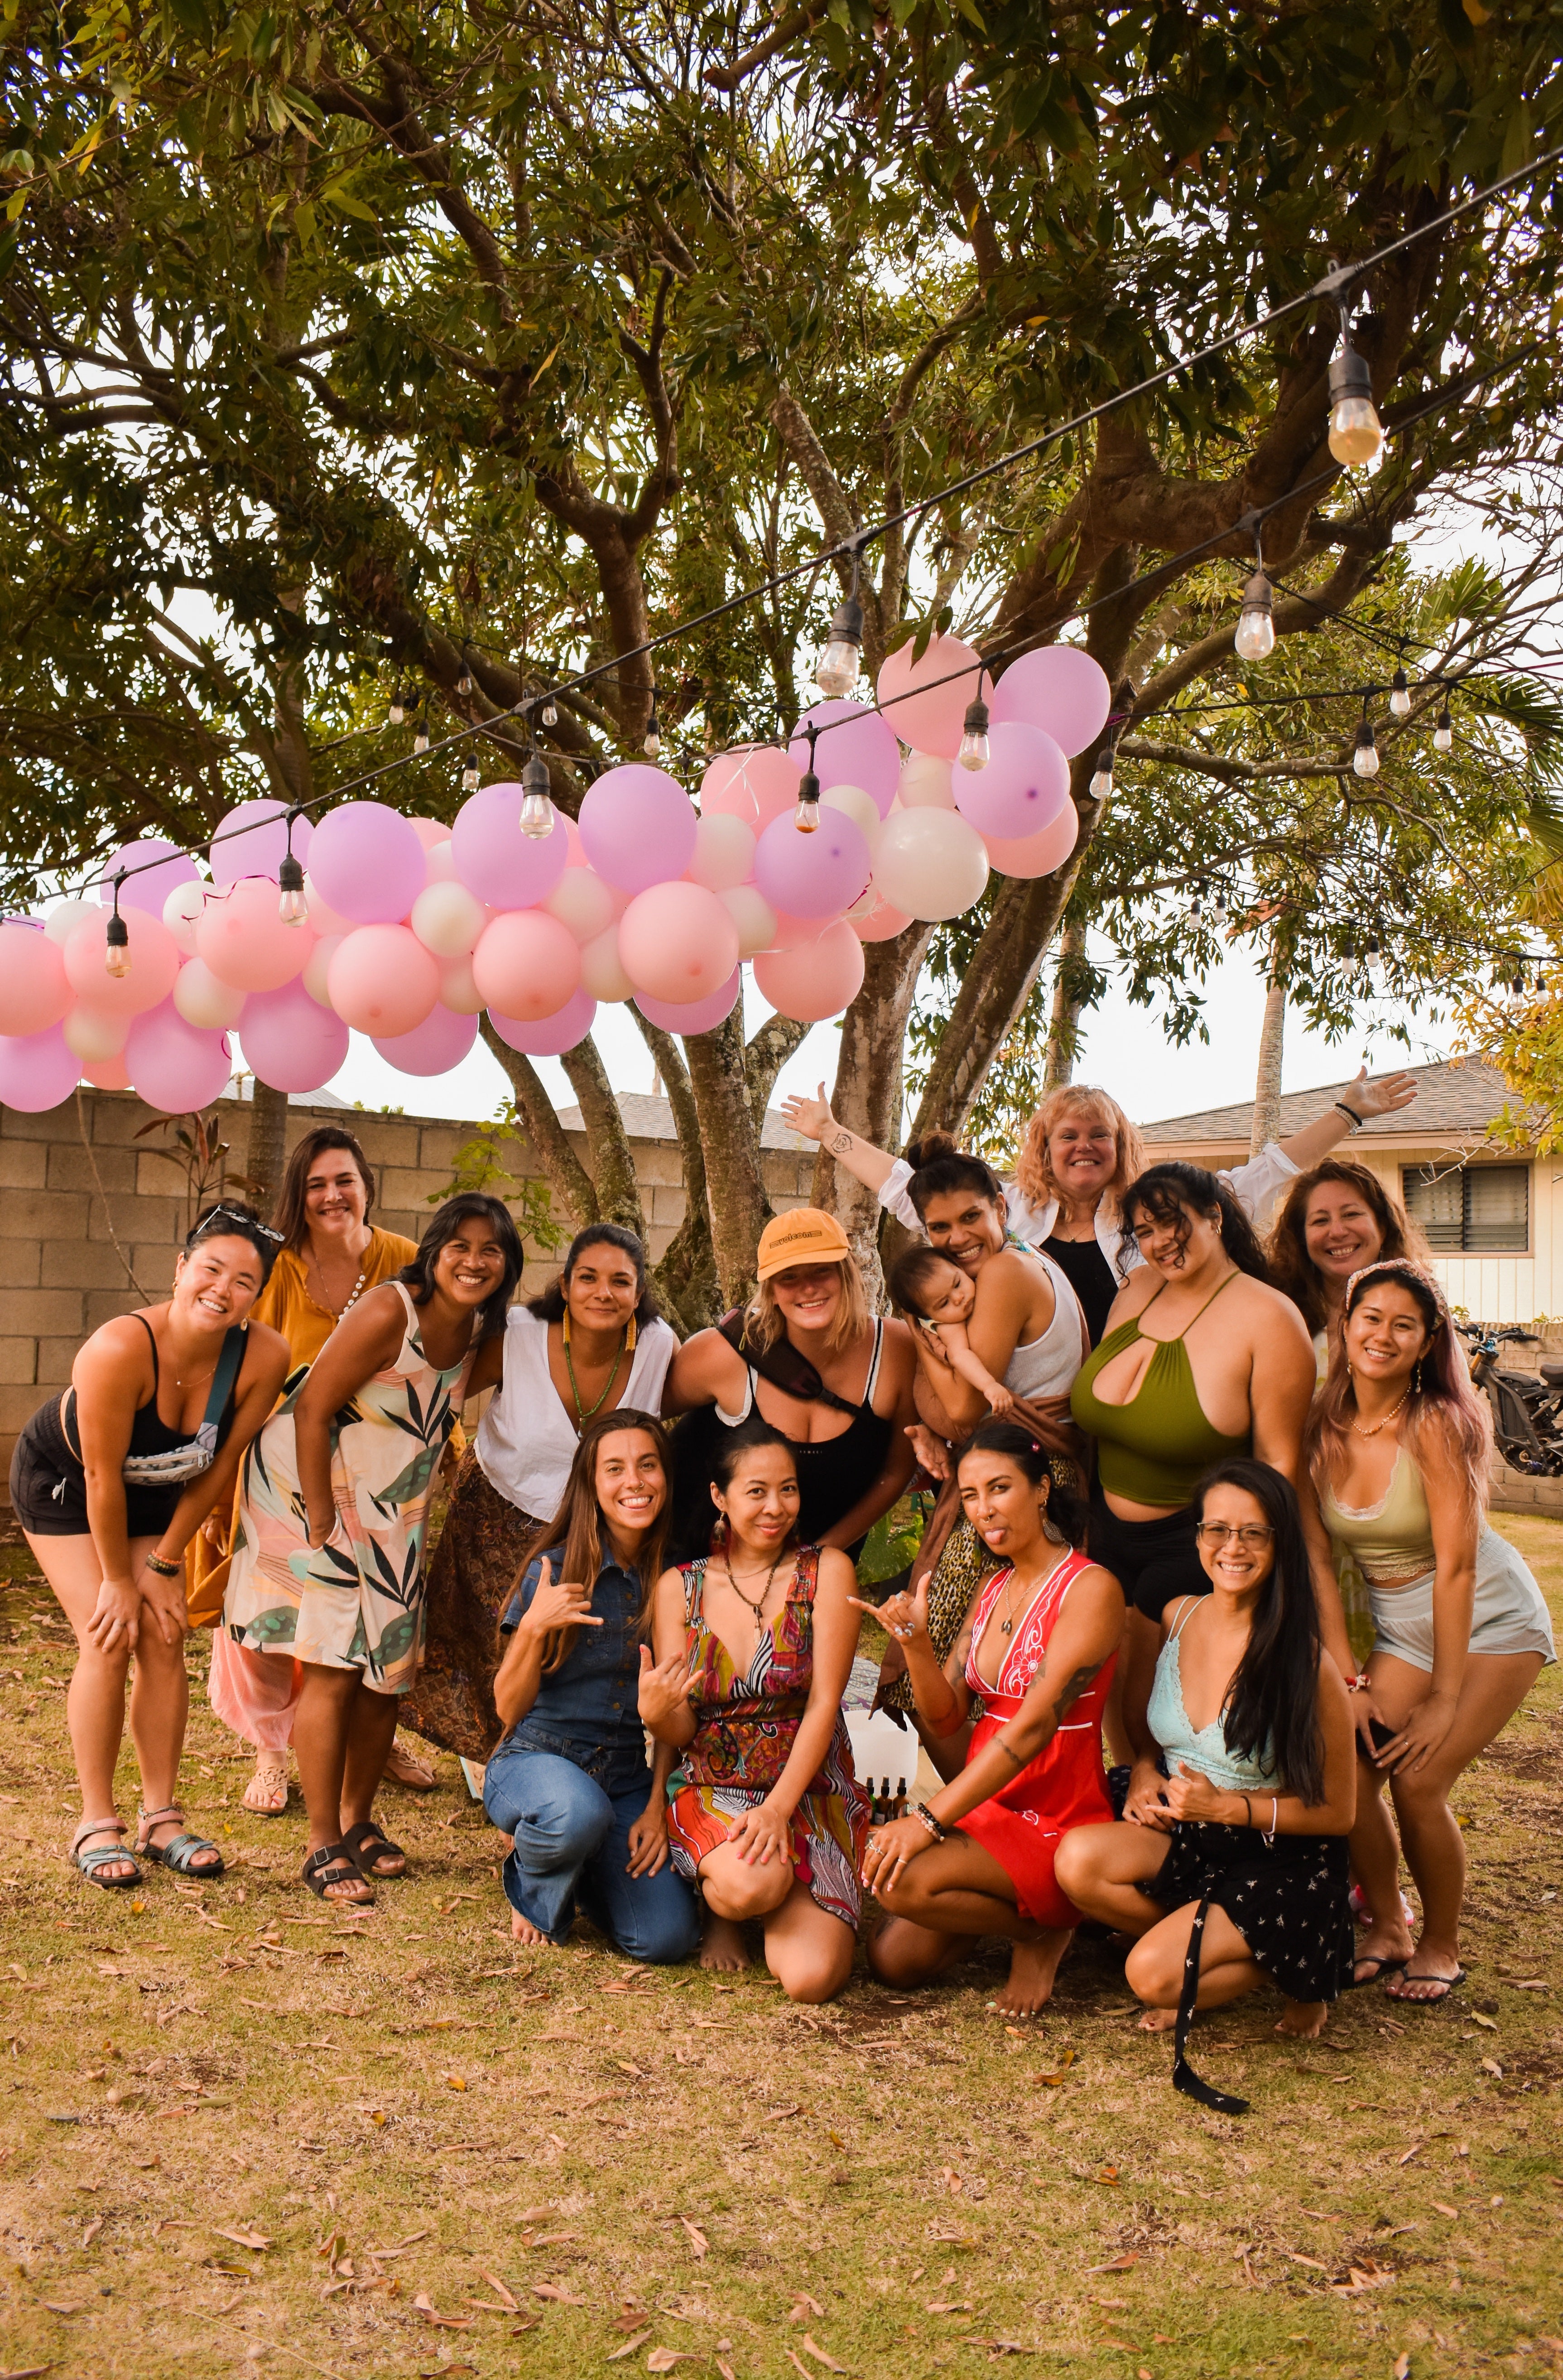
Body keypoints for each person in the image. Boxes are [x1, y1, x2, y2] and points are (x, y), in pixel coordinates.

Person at [224, 1194, 521, 1904]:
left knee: (390, 1666)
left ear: (508, 1264)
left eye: (491, 1249)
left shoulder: (485, 1332)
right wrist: (322, 1523)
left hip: (395, 1508)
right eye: (459, 1245)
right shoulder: (393, 1309)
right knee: (333, 1663)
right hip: (316, 1487)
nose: (473, 1260)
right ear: (434, 1250)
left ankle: (359, 1820)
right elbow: (312, 1405)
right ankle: (321, 1839)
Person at [1055, 1461, 1357, 2109]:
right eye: (1217, 1528)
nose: (1232, 1546)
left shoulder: (1306, 1662)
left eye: (1253, 1532)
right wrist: (1143, 1768)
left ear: (1279, 1543)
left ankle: (1293, 1962)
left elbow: (1338, 1813)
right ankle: (1197, 1944)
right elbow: (1145, 1729)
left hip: (1275, 1856)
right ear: (1196, 1537)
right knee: (1075, 1861)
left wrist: (1227, 1806)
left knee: (1147, 1975)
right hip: (1188, 1830)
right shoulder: (1176, 1613)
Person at [10, 1206, 291, 1889]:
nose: (223, 1289)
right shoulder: (118, 1347)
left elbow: (220, 1467)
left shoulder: (264, 1355)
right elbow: (102, 1478)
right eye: (211, 1268)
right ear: (181, 1268)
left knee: (165, 1632)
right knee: (109, 1633)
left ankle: (161, 1818)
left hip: (160, 1487)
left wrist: (165, 1564)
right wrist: (118, 1579)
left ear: (257, 1296)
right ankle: (95, 1821)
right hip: (69, 1485)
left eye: (244, 1281)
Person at [1303, 1259, 1555, 2003]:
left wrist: (1443, 1698)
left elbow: (1457, 1569)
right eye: (1370, 1317)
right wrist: (1347, 1678)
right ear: (1345, 1324)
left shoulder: (1435, 1423)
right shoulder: (1320, 1421)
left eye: (1402, 1325)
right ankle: (1388, 1925)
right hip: (1398, 1624)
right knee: (1348, 1775)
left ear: (1425, 1342)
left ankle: (1440, 1944)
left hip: (1489, 1618)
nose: (1381, 1335)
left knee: (1418, 1783)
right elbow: (1316, 1558)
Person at [781, 1070, 1418, 1347]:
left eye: (1098, 1134)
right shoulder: (1010, 1212)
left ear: (1120, 1146)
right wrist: (830, 1132)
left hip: (1128, 1397)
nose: (1083, 1145)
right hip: (1029, 1400)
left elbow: (1265, 1173)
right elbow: (905, 1189)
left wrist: (1348, 1112)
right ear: (1045, 1147)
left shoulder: (1158, 1217)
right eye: (1068, 1135)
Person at [189, 1125, 422, 1816]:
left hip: (378, 1474)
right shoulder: (276, 1268)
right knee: (275, 1619)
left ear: (366, 1185)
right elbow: (228, 1368)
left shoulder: (405, 1260)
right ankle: (269, 1748)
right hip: (278, 1473)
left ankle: (369, 1739)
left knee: (368, 1613)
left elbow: (433, 1355)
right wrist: (214, 1487)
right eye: (317, 1183)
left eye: (344, 1179)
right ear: (300, 1193)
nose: (332, 1195)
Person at [859, 1423, 1123, 2015]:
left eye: (999, 1488)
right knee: (892, 1960)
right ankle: (1024, 1912)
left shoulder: (1089, 1587)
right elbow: (946, 1717)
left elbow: (1031, 1730)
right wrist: (917, 1645)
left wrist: (928, 1819)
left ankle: (1046, 1925)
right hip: (988, 1801)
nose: (983, 1509)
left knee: (904, 1881)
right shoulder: (991, 1585)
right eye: (970, 1495)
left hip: (1054, 1810)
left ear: (1041, 1489)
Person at [405, 1222, 680, 1760]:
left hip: (589, 1526)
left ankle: (542, 1752)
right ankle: (499, 1758)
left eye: (620, 1281)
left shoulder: (658, 1347)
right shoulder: (520, 1333)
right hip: (495, 1509)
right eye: (588, 1277)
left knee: (567, 1646)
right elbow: (444, 1396)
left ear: (639, 1293)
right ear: (565, 1283)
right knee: (485, 1641)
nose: (603, 1292)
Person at [1069, 1161, 1320, 1736]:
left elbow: (1278, 1463)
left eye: (1171, 1221)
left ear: (1214, 1216)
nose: (1159, 1240)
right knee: (1103, 1711)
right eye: (1145, 1230)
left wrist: (1250, 1565)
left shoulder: (1269, 1318)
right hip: (1102, 1532)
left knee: (1149, 1716)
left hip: (1190, 1543)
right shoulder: (1136, 1289)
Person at [863, 1138, 1089, 1760]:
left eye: (970, 1217)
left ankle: (975, 1807)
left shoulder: (1005, 1273)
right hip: (1017, 1472)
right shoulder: (1014, 1262)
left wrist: (919, 1332)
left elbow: (962, 1411)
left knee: (940, 1665)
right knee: (976, 1663)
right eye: (939, 1227)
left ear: (1000, 1206)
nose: (957, 1237)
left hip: (1020, 1479)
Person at [639, 1418, 867, 2002]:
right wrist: (657, 1714)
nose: (776, 1507)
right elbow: (683, 1726)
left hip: (807, 1788)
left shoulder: (827, 1571)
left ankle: (781, 1888)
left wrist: (777, 1810)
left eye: (788, 1489)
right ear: (720, 1496)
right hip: (715, 1787)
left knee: (812, 1979)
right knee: (750, 1885)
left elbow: (825, 1703)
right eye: (757, 1491)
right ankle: (724, 1907)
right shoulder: (679, 1587)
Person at [482, 1409, 699, 1962]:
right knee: (576, 1812)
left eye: (648, 1465)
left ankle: (578, 1869)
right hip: (536, 1762)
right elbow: (507, 1706)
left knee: (665, 1937)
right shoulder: (555, 1569)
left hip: (625, 1779)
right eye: (615, 1468)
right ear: (592, 1485)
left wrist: (656, 1804)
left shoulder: (678, 1577)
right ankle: (534, 1878)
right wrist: (533, 1629)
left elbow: (672, 1705)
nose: (635, 1481)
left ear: (666, 1476)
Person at [662, 1208, 919, 1566]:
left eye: (821, 1270)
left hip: (815, 1574)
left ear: (846, 1273)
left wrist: (817, 1557)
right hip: (697, 1562)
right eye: (789, 1277)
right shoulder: (723, 1353)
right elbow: (634, 1414)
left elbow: (896, 1471)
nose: (808, 1287)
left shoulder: (895, 1349)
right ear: (770, 1289)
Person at [1267, 1159, 1430, 1680]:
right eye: (1319, 1220)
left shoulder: (1420, 1318)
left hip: (1397, 1544)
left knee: (1394, 1699)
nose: (1336, 1231)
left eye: (1351, 1213)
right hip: (1303, 1540)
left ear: (1382, 1223)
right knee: (1318, 1696)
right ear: (1300, 1237)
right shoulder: (1283, 1321)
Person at [888, 1243, 1018, 1417]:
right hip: (939, 1408)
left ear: (960, 1268)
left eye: (957, 1284)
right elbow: (960, 1356)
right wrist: (989, 1385)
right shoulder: (949, 1326)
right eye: (944, 1303)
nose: (959, 1298)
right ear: (927, 1316)